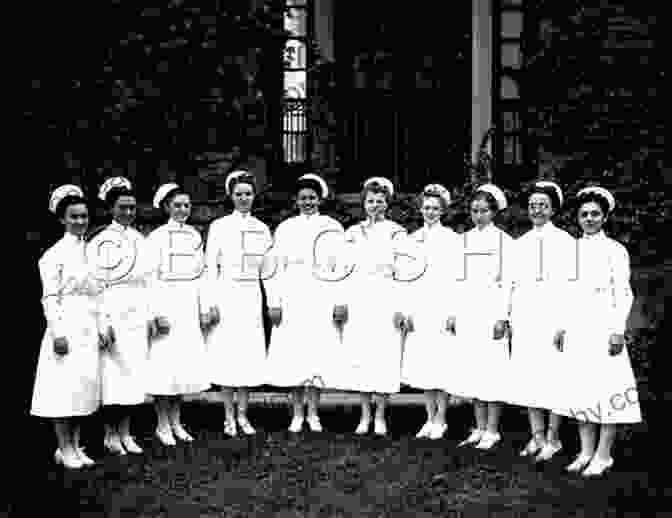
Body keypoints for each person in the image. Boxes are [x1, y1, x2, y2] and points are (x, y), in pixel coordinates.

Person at [554, 186, 642, 476]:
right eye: (584, 214)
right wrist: (562, 327)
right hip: (579, 327)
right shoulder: (572, 250)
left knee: (607, 388)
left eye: (595, 214)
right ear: (578, 218)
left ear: (604, 217)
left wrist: (617, 330)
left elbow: (624, 292)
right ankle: (586, 451)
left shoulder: (615, 250)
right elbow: (566, 292)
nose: (589, 218)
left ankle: (604, 455)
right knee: (582, 388)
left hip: (604, 326)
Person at [30, 185, 115, 469]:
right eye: (74, 216)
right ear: (62, 219)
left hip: (88, 326)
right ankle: (63, 447)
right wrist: (58, 333)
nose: (80, 221)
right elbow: (50, 297)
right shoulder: (53, 255)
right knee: (63, 388)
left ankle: (76, 445)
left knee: (82, 387)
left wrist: (104, 325)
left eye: (83, 216)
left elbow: (99, 292)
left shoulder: (92, 252)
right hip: (66, 324)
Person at [264, 173, 347, 433]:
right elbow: (273, 268)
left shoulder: (332, 226)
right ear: (296, 201)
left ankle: (314, 413)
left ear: (319, 199)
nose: (307, 202)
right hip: (293, 295)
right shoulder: (286, 228)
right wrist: (274, 302)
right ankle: (297, 413)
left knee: (316, 353)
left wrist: (339, 301)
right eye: (303, 198)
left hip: (321, 295)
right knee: (295, 354)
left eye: (312, 198)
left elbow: (341, 267)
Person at [332, 177, 410, 436]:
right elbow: (343, 270)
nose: (374, 205)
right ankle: (364, 415)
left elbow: (404, 273)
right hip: (359, 299)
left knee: (383, 355)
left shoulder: (397, 232)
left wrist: (401, 306)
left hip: (386, 298)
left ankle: (380, 416)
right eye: (370, 201)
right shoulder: (352, 233)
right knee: (361, 355)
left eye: (380, 201)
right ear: (363, 204)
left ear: (387, 204)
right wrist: (341, 301)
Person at [507, 180, 576, 461]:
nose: (537, 210)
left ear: (553, 209)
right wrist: (509, 316)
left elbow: (571, 287)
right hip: (526, 316)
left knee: (553, 377)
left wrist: (564, 323)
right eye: (533, 205)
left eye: (543, 205)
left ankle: (553, 437)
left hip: (552, 317)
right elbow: (511, 284)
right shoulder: (519, 243)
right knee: (530, 376)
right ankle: (536, 436)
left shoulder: (565, 242)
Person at [203, 170, 271, 436]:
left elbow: (268, 269)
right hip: (226, 294)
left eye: (248, 194)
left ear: (254, 197)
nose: (244, 198)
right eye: (239, 194)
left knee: (247, 355)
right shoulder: (219, 227)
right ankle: (227, 416)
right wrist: (211, 302)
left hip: (251, 295)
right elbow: (210, 267)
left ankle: (243, 414)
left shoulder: (262, 229)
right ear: (231, 196)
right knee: (227, 354)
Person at [87, 177, 152, 455]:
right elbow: (97, 283)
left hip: (136, 311)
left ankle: (126, 431)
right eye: (122, 208)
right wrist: (104, 321)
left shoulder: (139, 238)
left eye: (132, 208)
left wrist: (149, 314)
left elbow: (149, 280)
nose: (128, 213)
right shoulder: (101, 240)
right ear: (111, 209)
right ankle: (110, 433)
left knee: (132, 374)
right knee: (114, 374)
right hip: (113, 310)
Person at [145, 183, 211, 446]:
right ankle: (162, 423)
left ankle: (176, 420)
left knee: (183, 364)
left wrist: (203, 307)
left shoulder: (195, 236)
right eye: (177, 205)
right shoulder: (157, 238)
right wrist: (157, 313)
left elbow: (202, 273)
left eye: (186, 205)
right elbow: (151, 279)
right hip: (167, 304)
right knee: (165, 364)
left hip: (188, 304)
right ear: (166, 208)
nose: (183, 210)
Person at [455, 184, 514, 450]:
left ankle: (493, 428)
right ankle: (478, 427)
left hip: (492, 311)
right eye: (474, 210)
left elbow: (509, 283)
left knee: (492, 370)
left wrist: (503, 316)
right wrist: (454, 313)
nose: (478, 215)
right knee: (474, 369)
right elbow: (457, 280)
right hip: (470, 310)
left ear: (494, 213)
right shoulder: (464, 240)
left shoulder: (503, 242)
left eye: (484, 211)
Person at [401, 184, 459, 440]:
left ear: (443, 211)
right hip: (420, 306)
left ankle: (441, 418)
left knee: (441, 362)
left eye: (436, 208)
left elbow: (457, 279)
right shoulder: (411, 239)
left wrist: (452, 311)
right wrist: (408, 311)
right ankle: (428, 416)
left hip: (442, 304)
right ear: (420, 209)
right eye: (426, 207)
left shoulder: (452, 239)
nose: (430, 212)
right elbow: (405, 278)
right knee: (423, 362)